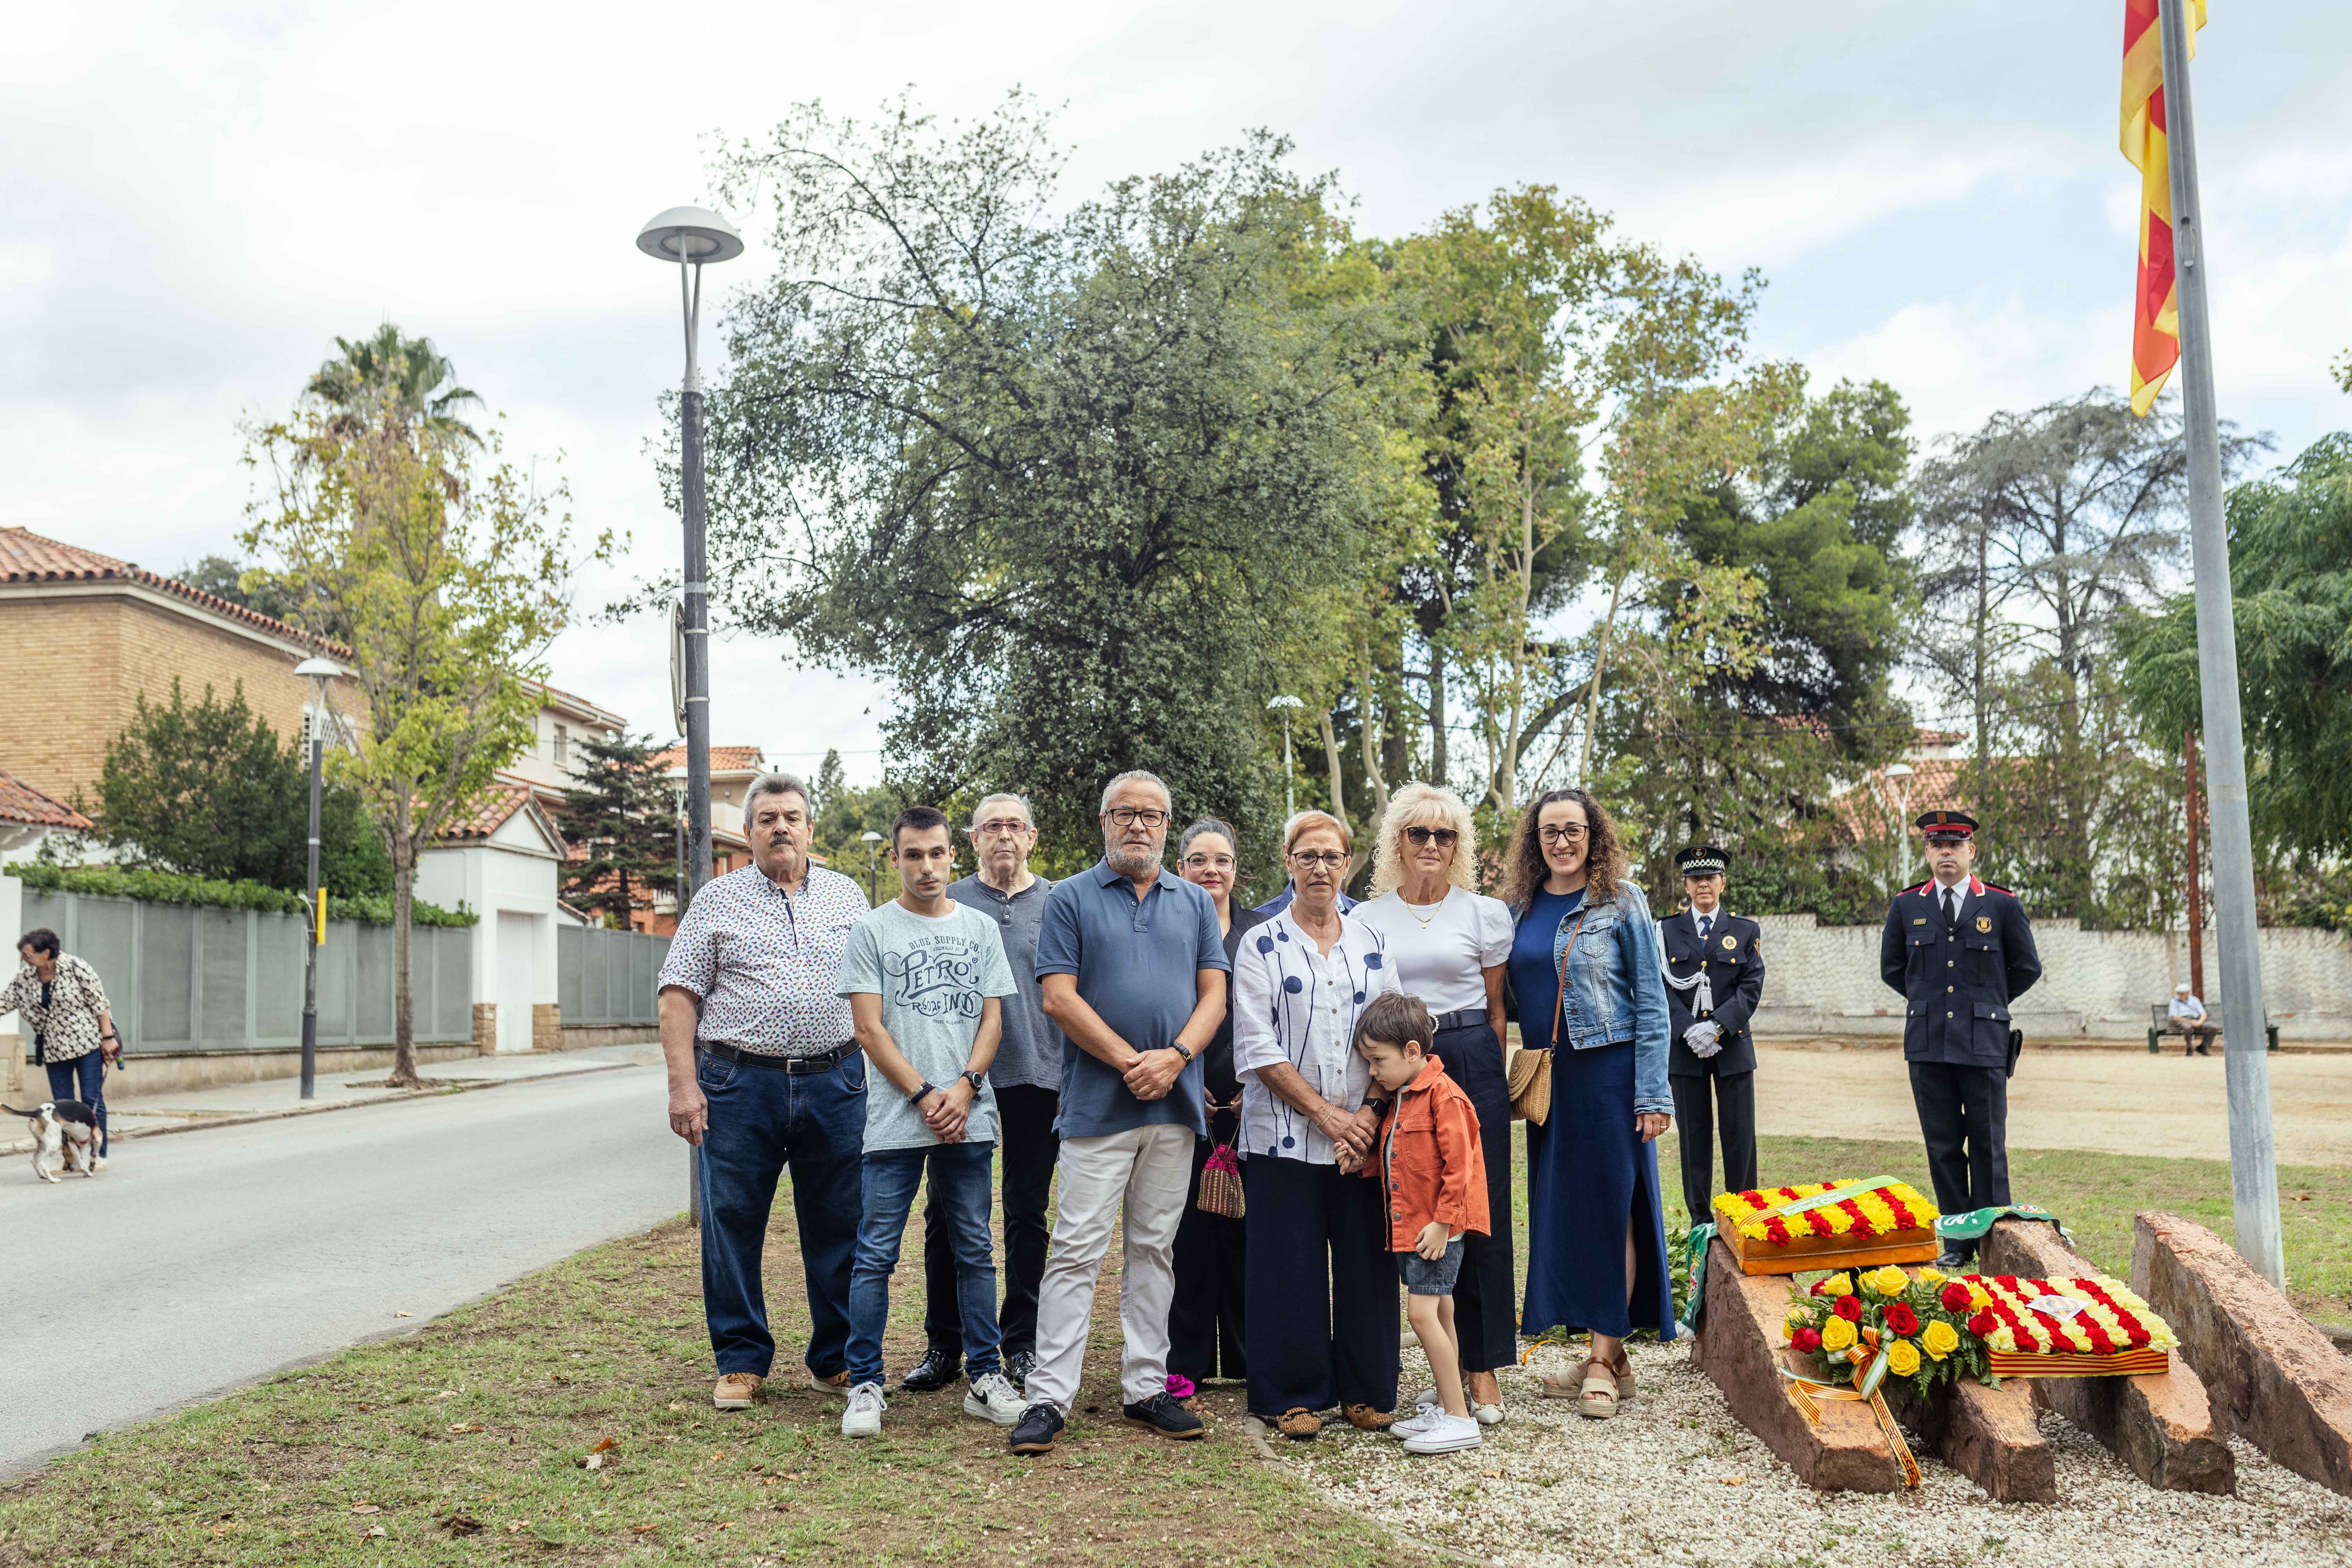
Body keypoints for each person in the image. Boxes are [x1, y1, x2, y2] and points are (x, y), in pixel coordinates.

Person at [1011, 771, 1229, 1455]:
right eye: (1126, 813)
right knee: (1076, 1250)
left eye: (1153, 815)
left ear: (1168, 826)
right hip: (1096, 1109)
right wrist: (1134, 1062)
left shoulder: (1193, 902)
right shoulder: (1071, 898)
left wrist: (1177, 1057)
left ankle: (1145, 1387)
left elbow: (1214, 995)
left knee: (1154, 1249)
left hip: (1175, 1106)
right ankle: (1049, 1397)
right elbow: (1059, 998)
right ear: (1104, 821)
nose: (1139, 825)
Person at [657, 772, 870, 1412]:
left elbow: (875, 991)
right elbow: (678, 996)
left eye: (792, 817)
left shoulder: (848, 897)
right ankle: (741, 1360)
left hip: (837, 1080)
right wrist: (683, 1085)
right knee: (732, 1223)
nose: (781, 827)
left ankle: (833, 1359)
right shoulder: (717, 901)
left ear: (811, 828)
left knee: (840, 1223)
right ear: (749, 833)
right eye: (768, 818)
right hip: (736, 1084)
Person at [835, 806, 1028, 1436]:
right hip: (898, 1119)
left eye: (937, 854)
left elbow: (993, 1020)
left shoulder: (978, 929)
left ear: (954, 857)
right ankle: (864, 1383)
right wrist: (924, 1094)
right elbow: (869, 1028)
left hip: (967, 1117)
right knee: (875, 1254)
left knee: (974, 1248)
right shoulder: (872, 930)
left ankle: (984, 1376)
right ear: (895, 859)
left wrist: (966, 1087)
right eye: (913, 855)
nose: (926, 866)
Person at [1503, 788, 1674, 1420]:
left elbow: (1654, 1004)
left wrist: (1653, 1094)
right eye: (1549, 832)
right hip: (1551, 1077)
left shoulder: (1622, 900)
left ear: (1593, 835)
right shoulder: (1516, 908)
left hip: (1610, 1070)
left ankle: (1604, 1357)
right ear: (1535, 840)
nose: (1562, 842)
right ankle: (1608, 1354)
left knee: (1613, 1209)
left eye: (1573, 830)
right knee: (1568, 1213)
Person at [1230, 810, 1400, 1441]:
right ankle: (1293, 1394)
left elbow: (1399, 1033)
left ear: (1349, 864)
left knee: (1366, 1263)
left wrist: (1365, 1117)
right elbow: (1257, 1045)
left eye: (1332, 857)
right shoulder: (1262, 943)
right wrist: (1328, 1117)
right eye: (1308, 857)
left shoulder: (1372, 942)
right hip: (1282, 1135)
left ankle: (1366, 1388)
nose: (1321, 868)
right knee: (1288, 1266)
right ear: (1288, 861)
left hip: (1364, 1137)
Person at [1350, 783, 1515, 1424]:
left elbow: (1499, 1011)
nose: (1431, 845)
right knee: (1412, 1213)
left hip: (1471, 1057)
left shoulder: (1484, 914)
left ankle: (1483, 1368)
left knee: (1478, 1212)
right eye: (1418, 833)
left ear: (1459, 846)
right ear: (1397, 841)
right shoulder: (1370, 917)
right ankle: (1418, 1373)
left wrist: (1488, 1086)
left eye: (1445, 835)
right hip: (1399, 1067)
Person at [902, 792, 1061, 1396]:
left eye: (1014, 826)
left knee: (1027, 1213)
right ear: (972, 840)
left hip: (1035, 1077)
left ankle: (1020, 1343)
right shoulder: (949, 901)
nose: (1003, 836)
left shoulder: (1059, 902)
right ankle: (945, 1345)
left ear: (1032, 837)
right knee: (947, 1216)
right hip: (957, 1084)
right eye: (991, 826)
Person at [1880, 809, 2042, 1269]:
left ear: (1972, 851)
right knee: (1944, 1143)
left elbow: (2028, 967)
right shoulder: (1907, 905)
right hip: (1928, 1041)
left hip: (1984, 1041)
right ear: (1927, 852)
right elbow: (1892, 968)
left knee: (1989, 1141)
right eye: (1937, 845)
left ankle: (1994, 1235)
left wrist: (1985, 1002)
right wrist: (1929, 1001)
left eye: (1955, 844)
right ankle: (1957, 1238)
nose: (1946, 852)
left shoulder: (2001, 904)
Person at [1356, 992, 1490, 1457]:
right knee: (1443, 1311)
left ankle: (1458, 1418)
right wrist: (1361, 1162)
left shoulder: (1444, 1096)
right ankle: (1452, 1403)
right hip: (1414, 1225)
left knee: (1420, 1314)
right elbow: (1398, 1156)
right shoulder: (1402, 1097)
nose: (1373, 1072)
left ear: (1412, 1051)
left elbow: (1461, 1167)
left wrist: (1442, 1222)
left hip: (1435, 1232)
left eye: (1378, 1061)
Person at [1167, 816, 1268, 1394]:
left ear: (1236, 869)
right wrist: (1187, 1082)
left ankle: (1252, 1356)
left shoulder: (1262, 932)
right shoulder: (1166, 929)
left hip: (1254, 1102)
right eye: (1199, 861)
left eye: (1222, 861)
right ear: (1182, 869)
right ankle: (1187, 1360)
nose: (1211, 871)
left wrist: (1257, 1084)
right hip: (1188, 1100)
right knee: (1188, 1237)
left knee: (1249, 1235)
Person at [1659, 845, 1766, 1225]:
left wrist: (1718, 1025)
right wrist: (1689, 1029)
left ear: (1723, 882)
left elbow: (1752, 984)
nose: (1704, 884)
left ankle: (1744, 1218)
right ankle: (1700, 1221)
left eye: (1711, 877)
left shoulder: (1745, 929)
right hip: (1686, 1051)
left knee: (1740, 1138)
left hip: (1732, 1045)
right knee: (1694, 1138)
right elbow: (1660, 988)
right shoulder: (1666, 931)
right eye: (1695, 878)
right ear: (1686, 884)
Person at [2, 930, 119, 1168]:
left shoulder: (77, 968)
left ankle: (99, 1154)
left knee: (91, 1100)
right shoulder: (26, 978)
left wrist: (108, 1038)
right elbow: (4, 1002)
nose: (24, 959)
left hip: (87, 1045)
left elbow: (100, 1004)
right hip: (54, 1049)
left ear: (46, 953)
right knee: (61, 1107)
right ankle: (70, 1159)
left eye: (28, 955)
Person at [2169, 982, 2218, 1056]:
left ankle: (2203, 1047)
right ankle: (2189, 1047)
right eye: (2178, 993)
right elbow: (2175, 1017)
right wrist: (2191, 1022)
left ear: (2188, 993)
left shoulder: (2195, 1000)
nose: (2180, 995)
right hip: (2182, 1021)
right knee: (2187, 1027)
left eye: (2182, 993)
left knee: (2213, 1028)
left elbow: (2204, 1014)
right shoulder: (2174, 1002)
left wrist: (2200, 1021)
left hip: (2196, 1020)